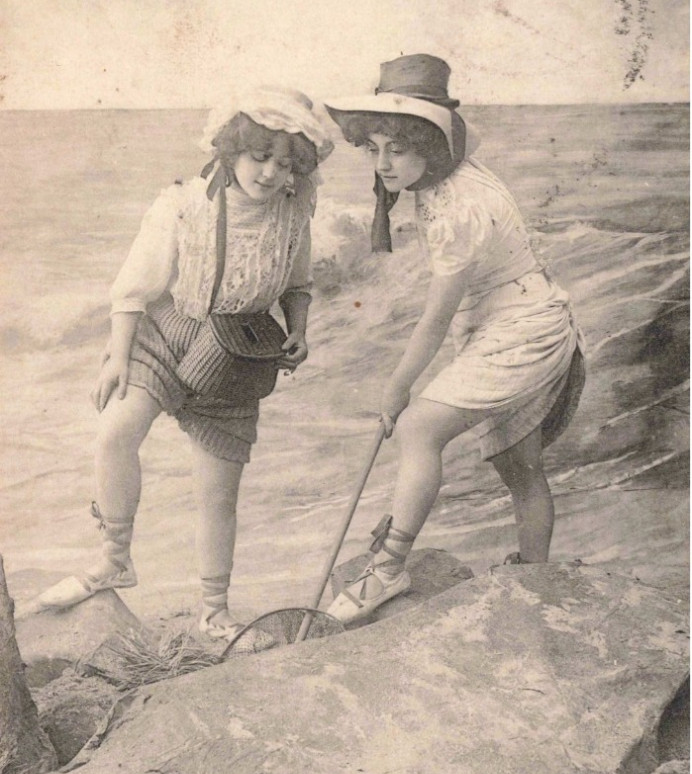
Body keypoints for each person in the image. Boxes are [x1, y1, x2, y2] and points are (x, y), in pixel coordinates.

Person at [37, 88, 334, 645]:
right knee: (115, 432)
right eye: (259, 156)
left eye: (285, 163)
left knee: (218, 494)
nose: (270, 173)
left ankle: (214, 609)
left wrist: (299, 331)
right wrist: (118, 356)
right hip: (168, 332)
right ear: (231, 149)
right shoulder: (182, 203)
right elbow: (134, 287)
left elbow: (298, 286)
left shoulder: (295, 214)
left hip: (235, 355)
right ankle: (113, 560)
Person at [323, 54, 585, 623]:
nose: (384, 162)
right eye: (374, 147)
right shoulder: (446, 180)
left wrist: (397, 386)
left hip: (523, 328)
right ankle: (534, 577)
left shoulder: (457, 207)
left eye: (398, 147)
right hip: (513, 317)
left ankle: (388, 570)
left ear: (429, 145)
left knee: (418, 428)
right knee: (519, 466)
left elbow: (436, 318)